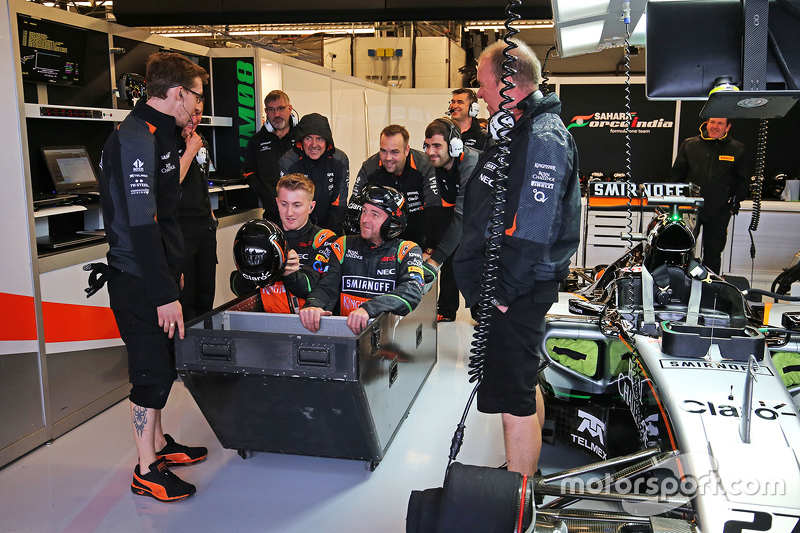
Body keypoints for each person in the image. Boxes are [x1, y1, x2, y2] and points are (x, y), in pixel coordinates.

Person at [453, 39, 581, 477]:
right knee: (523, 383)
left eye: (483, 82)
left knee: (512, 399)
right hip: (511, 281)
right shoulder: (518, 127)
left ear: (509, 83)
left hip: (517, 286)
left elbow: (533, 229)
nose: (479, 92)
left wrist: (503, 291)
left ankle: (518, 500)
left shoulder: (543, 138)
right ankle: (528, 476)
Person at [98, 52, 209, 502]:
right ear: (178, 93)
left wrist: (173, 273)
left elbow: (167, 212)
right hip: (136, 279)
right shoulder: (135, 138)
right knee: (151, 375)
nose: (198, 104)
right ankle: (146, 470)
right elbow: (142, 224)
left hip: (158, 274)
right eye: (196, 95)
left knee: (163, 367)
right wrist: (163, 290)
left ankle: (160, 445)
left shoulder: (163, 133)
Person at [298, 184, 434, 335]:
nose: (365, 219)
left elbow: (412, 291)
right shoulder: (343, 244)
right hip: (345, 334)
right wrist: (314, 305)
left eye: (375, 214)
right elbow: (327, 286)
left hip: (387, 341)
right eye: (364, 211)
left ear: (393, 221)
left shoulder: (407, 250)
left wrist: (368, 309)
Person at [231, 173, 337, 312]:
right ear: (277, 203)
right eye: (284, 204)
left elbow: (316, 290)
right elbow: (238, 289)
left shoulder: (325, 239)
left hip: (307, 322)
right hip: (268, 320)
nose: (289, 213)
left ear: (311, 207)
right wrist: (252, 269)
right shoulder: (265, 237)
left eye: (297, 205)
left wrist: (288, 273)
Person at [669, 117, 748, 274]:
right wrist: (676, 203)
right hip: (690, 209)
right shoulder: (690, 145)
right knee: (682, 250)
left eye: (720, 123)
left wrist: (733, 205)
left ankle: (711, 289)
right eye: (712, 122)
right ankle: (681, 284)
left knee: (713, 252)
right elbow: (676, 176)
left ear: (728, 127)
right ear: (707, 123)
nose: (715, 127)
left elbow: (743, 181)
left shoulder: (737, 149)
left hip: (720, 211)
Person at [422, 117, 481, 323]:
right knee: (449, 247)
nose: (430, 152)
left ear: (455, 145)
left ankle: (482, 312)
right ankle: (447, 310)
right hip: (469, 217)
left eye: (437, 146)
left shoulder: (471, 164)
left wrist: (434, 261)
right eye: (427, 146)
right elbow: (441, 213)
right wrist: (430, 250)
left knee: (476, 259)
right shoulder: (438, 167)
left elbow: (462, 218)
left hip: (495, 221)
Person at [351, 124, 445, 250]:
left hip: (417, 239)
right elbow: (354, 207)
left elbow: (435, 211)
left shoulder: (425, 166)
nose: (388, 158)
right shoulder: (369, 168)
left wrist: (430, 250)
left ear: (406, 150)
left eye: (395, 152)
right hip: (379, 241)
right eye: (383, 151)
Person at [177, 101, 218, 321]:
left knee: (206, 296)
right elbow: (170, 184)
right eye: (189, 113)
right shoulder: (168, 141)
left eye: (199, 113)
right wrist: (190, 150)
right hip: (181, 229)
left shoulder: (199, 140)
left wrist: (211, 215)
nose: (193, 119)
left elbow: (202, 180)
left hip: (205, 228)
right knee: (186, 299)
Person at [278, 113, 349, 233]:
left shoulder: (340, 160)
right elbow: (290, 207)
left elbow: (339, 203)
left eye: (319, 139)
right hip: (297, 228)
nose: (314, 145)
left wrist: (329, 238)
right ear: (301, 140)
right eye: (308, 138)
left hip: (331, 227)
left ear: (327, 141)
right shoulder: (288, 161)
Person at [242, 90, 298, 224]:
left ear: (290, 109)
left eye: (280, 108)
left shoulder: (301, 137)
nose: (276, 114)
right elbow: (248, 171)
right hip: (272, 214)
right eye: (271, 110)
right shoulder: (257, 140)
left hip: (301, 214)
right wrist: (263, 192)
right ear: (266, 111)